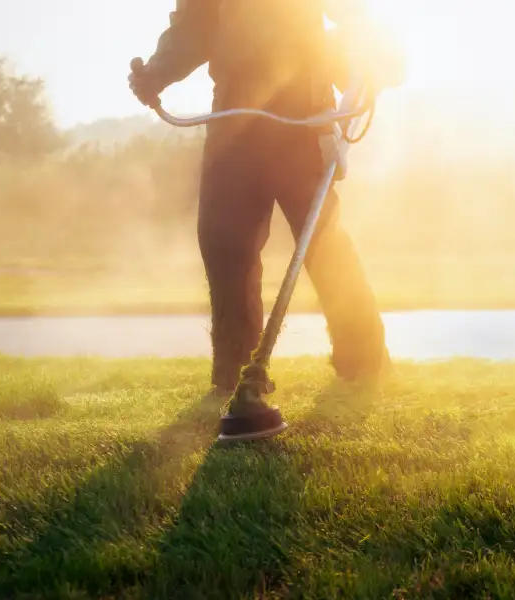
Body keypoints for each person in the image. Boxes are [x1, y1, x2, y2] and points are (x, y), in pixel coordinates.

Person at [129, 1, 404, 403]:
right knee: (223, 242)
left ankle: (366, 364)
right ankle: (235, 372)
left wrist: (372, 53)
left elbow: (352, 14)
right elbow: (192, 28)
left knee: (323, 244)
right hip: (234, 112)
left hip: (304, 108)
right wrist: (154, 75)